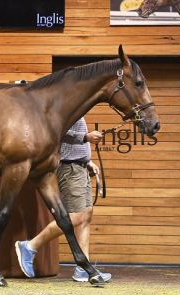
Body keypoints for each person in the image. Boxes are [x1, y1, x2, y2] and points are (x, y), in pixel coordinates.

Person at [15, 118, 112, 283]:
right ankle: (30, 246)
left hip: (79, 167)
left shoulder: (78, 103)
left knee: (86, 216)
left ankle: (83, 267)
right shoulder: (67, 102)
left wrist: (87, 161)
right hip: (70, 169)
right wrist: (86, 137)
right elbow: (59, 132)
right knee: (75, 217)